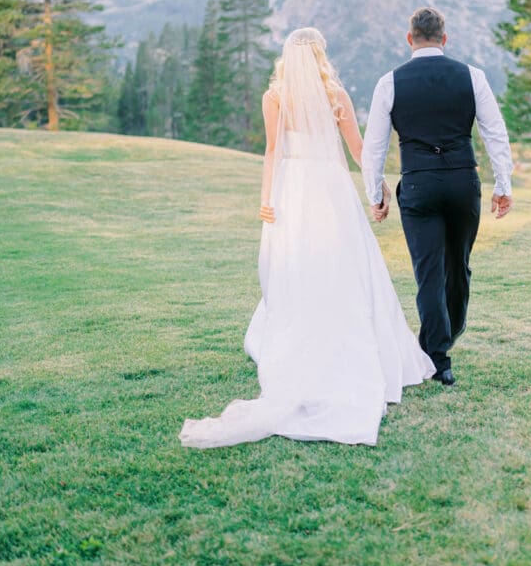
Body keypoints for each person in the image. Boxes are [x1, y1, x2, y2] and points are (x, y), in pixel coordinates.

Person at [179, 27, 434, 449]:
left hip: (294, 188)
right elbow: (358, 150)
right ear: (319, 56)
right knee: (344, 266)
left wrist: (266, 199)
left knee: (300, 264)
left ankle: (307, 336)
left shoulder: (275, 96)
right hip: (329, 189)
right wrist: (377, 188)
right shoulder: (335, 95)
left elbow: (273, 152)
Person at [362, 7, 513, 386]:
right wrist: (503, 184)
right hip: (463, 182)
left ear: (409, 39)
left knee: (430, 273)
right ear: (444, 39)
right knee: (458, 266)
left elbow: (374, 145)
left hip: (418, 185)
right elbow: (495, 131)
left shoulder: (389, 82)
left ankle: (438, 353)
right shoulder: (471, 76)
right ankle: (443, 341)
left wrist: (374, 192)